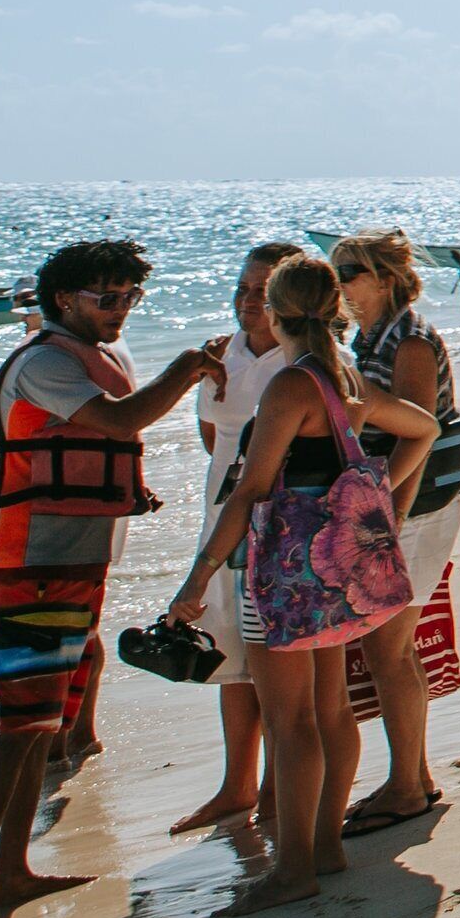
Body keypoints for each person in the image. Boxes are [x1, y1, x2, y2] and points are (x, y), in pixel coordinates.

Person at [0, 240, 215, 918]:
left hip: (75, 558)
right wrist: (188, 368)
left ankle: (12, 872)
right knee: (19, 727)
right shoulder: (45, 363)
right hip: (29, 560)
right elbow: (122, 422)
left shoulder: (100, 355)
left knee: (47, 727)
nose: (121, 309)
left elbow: (103, 441)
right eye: (107, 298)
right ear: (64, 300)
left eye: (130, 297)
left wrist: (129, 487)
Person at [160, 258, 435, 916]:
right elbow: (424, 427)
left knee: (291, 721)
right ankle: (324, 847)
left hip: (283, 572)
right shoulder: (347, 376)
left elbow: (251, 489)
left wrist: (197, 577)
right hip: (340, 570)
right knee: (331, 711)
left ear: (278, 313)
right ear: (332, 308)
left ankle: (292, 868)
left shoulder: (289, 386)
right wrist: (380, 501)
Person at [333, 231, 460, 837]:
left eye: (351, 272)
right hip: (402, 510)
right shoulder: (367, 338)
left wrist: (381, 517)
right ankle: (412, 776)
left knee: (388, 651)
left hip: (413, 510)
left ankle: (406, 785)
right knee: (395, 650)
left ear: (384, 278)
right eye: (335, 273)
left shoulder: (409, 341)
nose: (342, 285)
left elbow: (417, 433)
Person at [170, 241, 306, 837]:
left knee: (276, 660)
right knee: (228, 654)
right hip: (219, 516)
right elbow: (213, 439)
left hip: (277, 525)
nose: (248, 301)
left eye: (262, 291)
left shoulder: (302, 361)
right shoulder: (219, 355)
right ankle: (236, 786)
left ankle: (282, 788)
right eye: (243, 288)